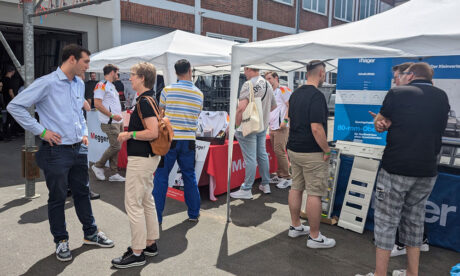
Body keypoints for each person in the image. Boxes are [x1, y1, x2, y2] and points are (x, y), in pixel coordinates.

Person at [7, 44, 114, 262]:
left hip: (78, 148)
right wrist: (42, 131)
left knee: (82, 192)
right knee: (57, 197)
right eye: (85, 62)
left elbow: (78, 113)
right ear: (72, 59)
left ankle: (91, 233)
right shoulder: (47, 83)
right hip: (56, 151)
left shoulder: (79, 83)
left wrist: (84, 133)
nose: (88, 67)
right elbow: (15, 106)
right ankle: (61, 241)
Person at [359, 63, 450, 276]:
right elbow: (426, 125)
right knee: (415, 223)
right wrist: (389, 123)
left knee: (385, 222)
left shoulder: (397, 93)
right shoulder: (441, 96)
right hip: (427, 170)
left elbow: (380, 122)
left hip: (396, 169)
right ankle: (412, 273)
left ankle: (380, 274)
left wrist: (378, 121)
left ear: (409, 75)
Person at [112, 62, 161, 269]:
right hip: (148, 157)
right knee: (145, 200)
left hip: (141, 158)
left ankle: (137, 250)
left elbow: (153, 132)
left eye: (132, 75)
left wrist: (128, 134)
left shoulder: (144, 102)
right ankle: (149, 244)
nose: (129, 78)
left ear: (142, 78)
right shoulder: (149, 99)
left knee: (133, 203)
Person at [286, 60, 336, 248]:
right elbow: (316, 128)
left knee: (296, 187)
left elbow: (290, 119)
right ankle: (315, 236)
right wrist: (326, 149)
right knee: (315, 193)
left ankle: (295, 226)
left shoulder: (295, 94)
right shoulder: (317, 96)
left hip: (294, 148)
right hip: (311, 152)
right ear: (321, 73)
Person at [153, 59, 203, 223]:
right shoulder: (199, 93)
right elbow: (197, 115)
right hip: (189, 140)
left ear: (175, 73)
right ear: (190, 70)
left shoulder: (167, 90)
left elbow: (161, 115)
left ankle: (157, 217)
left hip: (169, 139)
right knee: (189, 175)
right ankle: (194, 213)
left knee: (161, 176)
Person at [229, 67, 276, 200]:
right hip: (262, 125)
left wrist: (235, 126)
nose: (244, 72)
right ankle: (265, 184)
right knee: (262, 154)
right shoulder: (267, 83)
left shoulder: (248, 84)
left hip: (249, 125)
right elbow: (273, 106)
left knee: (250, 158)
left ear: (250, 69)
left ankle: (246, 188)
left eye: (245, 69)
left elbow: (241, 108)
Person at [91, 64, 126, 182]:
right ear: (112, 72)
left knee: (115, 147)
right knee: (116, 146)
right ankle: (98, 165)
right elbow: (97, 104)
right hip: (110, 122)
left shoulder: (111, 85)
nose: (118, 75)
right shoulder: (101, 85)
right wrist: (112, 116)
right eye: (117, 73)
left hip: (117, 121)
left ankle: (114, 173)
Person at [265, 71, 292, 189]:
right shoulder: (271, 92)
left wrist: (285, 121)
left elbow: (291, 105)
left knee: (280, 151)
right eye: (266, 79)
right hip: (272, 126)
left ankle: (287, 177)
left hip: (281, 127)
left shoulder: (283, 89)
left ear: (276, 78)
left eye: (269, 78)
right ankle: (280, 175)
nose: (268, 81)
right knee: (277, 152)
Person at [2, 65, 17, 141]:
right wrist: (15, 100)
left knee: (6, 118)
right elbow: (10, 92)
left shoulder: (3, 79)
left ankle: (4, 134)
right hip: (9, 101)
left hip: (4, 101)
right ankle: (8, 135)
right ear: (12, 71)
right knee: (10, 118)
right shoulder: (9, 80)